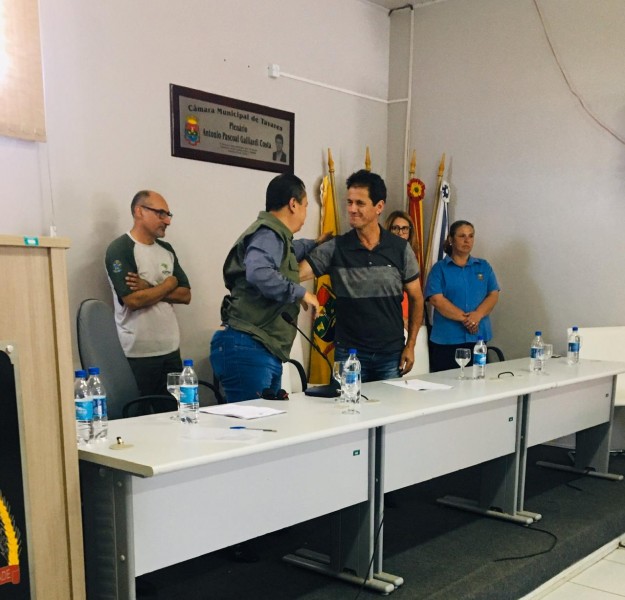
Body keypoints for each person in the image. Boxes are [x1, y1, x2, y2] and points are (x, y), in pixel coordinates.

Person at [300, 170, 424, 382]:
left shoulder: (401, 249)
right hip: (349, 355)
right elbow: (295, 274)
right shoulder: (336, 247)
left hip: (391, 355)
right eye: (349, 202)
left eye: (360, 203)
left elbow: (417, 299)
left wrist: (411, 345)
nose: (352, 209)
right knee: (347, 404)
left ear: (379, 207)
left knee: (390, 405)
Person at [211, 173, 323, 403]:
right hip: (249, 347)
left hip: (261, 347)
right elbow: (259, 272)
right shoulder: (268, 234)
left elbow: (293, 251)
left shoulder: (277, 238)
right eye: (305, 205)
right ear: (293, 204)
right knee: (253, 422)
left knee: (269, 420)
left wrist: (317, 243)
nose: (305, 213)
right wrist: (302, 293)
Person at [105, 190, 191, 396]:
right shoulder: (120, 249)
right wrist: (168, 284)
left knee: (174, 409)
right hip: (137, 353)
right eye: (161, 214)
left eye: (168, 215)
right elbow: (134, 300)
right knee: (141, 411)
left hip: (170, 349)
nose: (167, 221)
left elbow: (185, 295)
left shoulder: (166, 249)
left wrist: (149, 286)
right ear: (139, 211)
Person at [424, 220, 500, 372]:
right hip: (447, 340)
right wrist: (467, 319)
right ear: (451, 239)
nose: (467, 240)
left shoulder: (484, 266)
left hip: (478, 338)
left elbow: (493, 294)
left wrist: (477, 315)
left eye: (471, 236)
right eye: (462, 236)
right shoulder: (439, 269)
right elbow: (436, 299)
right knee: (447, 383)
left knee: (478, 381)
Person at [385, 210, 419, 331]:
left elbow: (415, 294)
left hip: (408, 318)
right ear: (388, 230)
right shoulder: (381, 256)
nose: (400, 233)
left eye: (404, 228)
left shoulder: (411, 257)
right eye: (395, 228)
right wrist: (401, 318)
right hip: (388, 318)